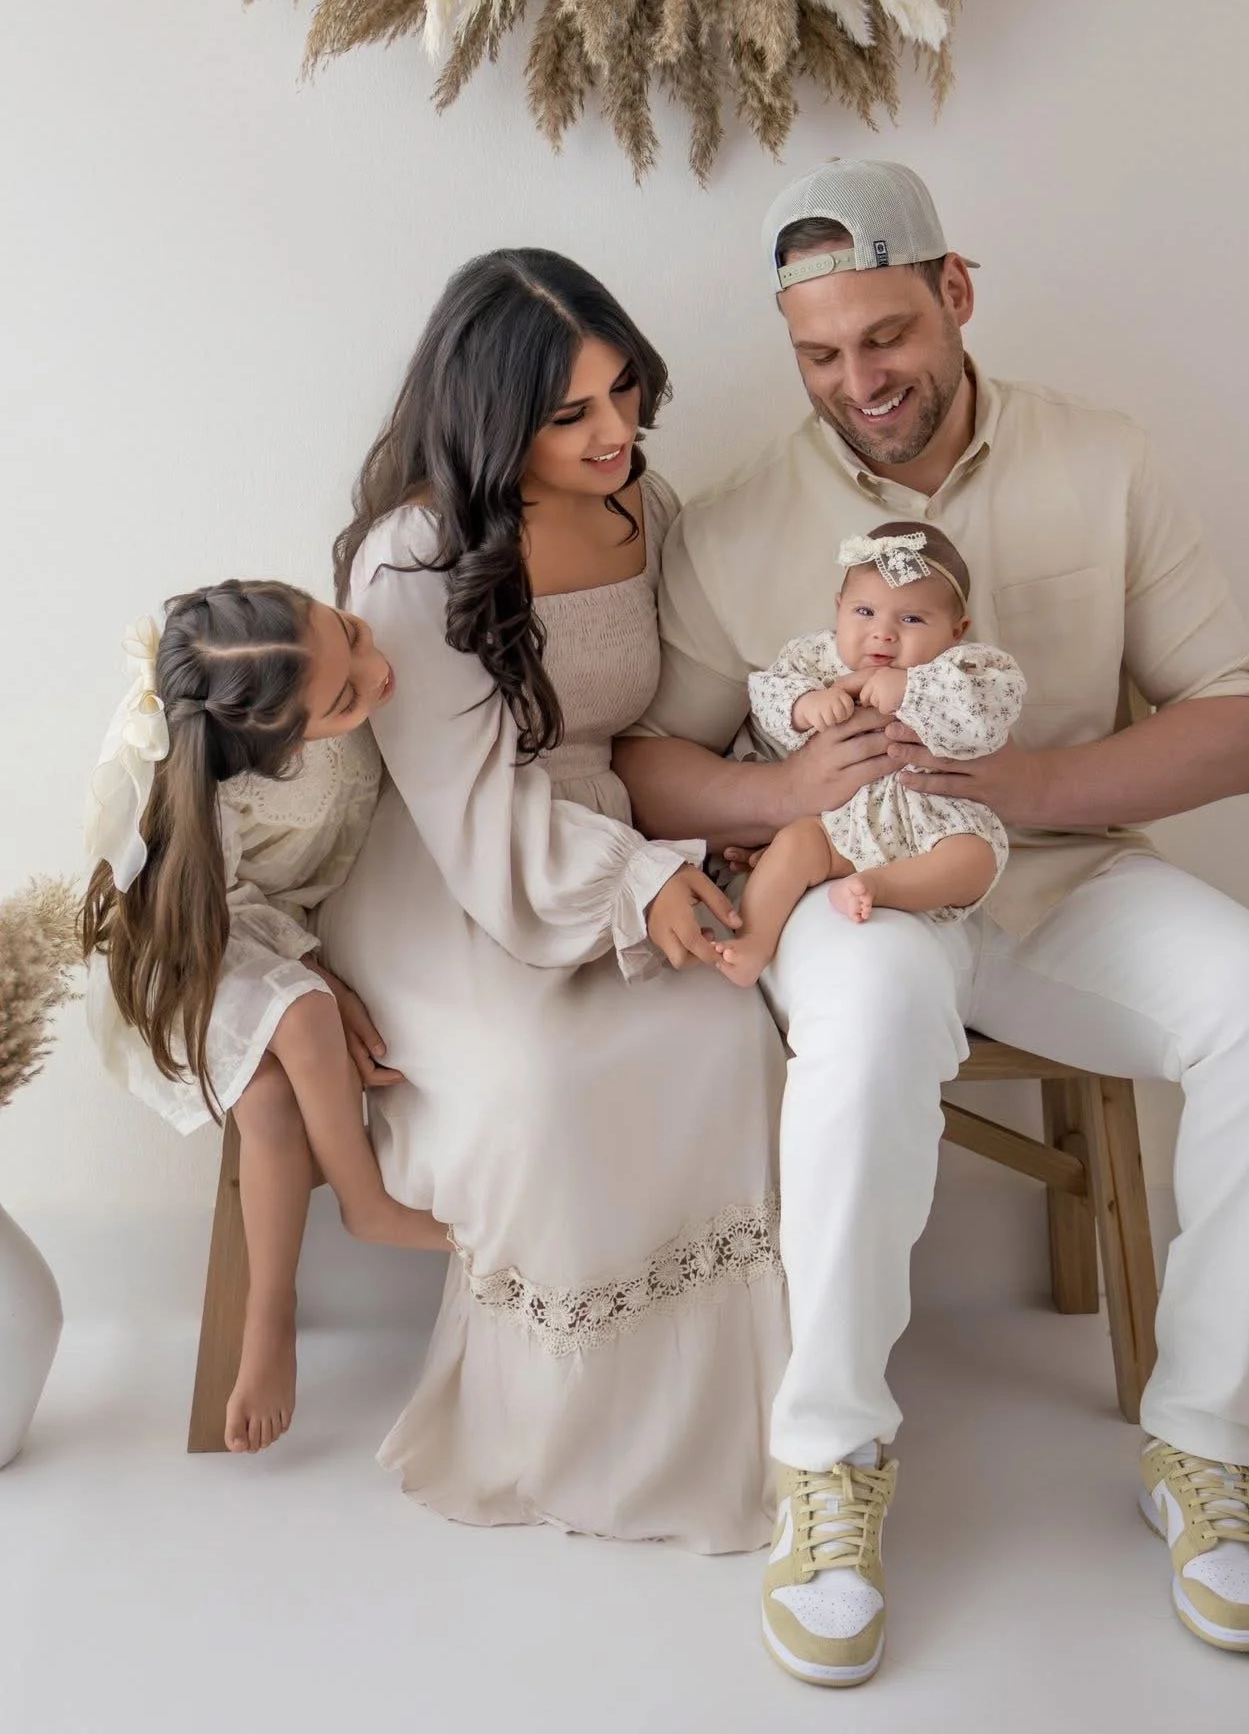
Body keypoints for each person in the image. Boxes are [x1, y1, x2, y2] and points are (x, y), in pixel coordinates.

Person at [616, 160, 1249, 1682]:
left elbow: (1239, 728)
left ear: (953, 292)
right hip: (858, 890)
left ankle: (1202, 1448)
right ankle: (828, 1463)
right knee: (873, 1011)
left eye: (883, 335)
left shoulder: (1104, 457)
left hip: (1062, 875)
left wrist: (1034, 778)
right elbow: (646, 762)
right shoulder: (737, 518)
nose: (856, 380)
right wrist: (785, 790)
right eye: (819, 353)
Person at [315, 249, 789, 1552]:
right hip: (454, 870)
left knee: (723, 1041)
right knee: (542, 1082)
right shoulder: (415, 559)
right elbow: (471, 814)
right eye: (573, 412)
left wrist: (735, 823)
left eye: (625, 393)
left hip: (621, 838)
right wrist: (640, 883)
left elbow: (694, 697)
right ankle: (551, 1436)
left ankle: (728, 1439)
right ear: (488, 415)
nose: (616, 432)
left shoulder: (646, 502)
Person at [82, 583, 449, 1455]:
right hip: (198, 941)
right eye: (347, 697)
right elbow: (220, 912)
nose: (377, 669)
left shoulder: (288, 660)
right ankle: (365, 1204)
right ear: (269, 749)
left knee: (274, 1101)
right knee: (305, 1009)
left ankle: (270, 1311)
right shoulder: (203, 787)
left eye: (353, 636)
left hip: (278, 923)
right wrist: (313, 970)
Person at [718, 519, 1023, 987]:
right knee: (795, 845)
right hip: (840, 824)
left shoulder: (962, 668)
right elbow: (766, 691)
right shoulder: (815, 659)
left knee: (975, 858)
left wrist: (911, 690)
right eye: (864, 612)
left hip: (936, 823)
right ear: (838, 609)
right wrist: (804, 705)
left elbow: (990, 712)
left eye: (911, 619)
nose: (882, 634)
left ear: (956, 630)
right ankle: (755, 942)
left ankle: (881, 888)